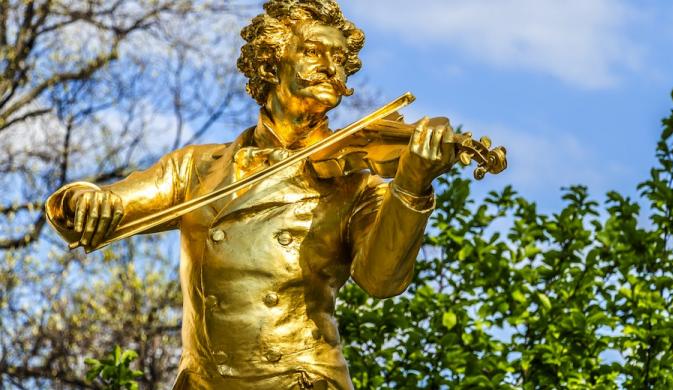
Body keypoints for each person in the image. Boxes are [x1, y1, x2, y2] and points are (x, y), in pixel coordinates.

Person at [45, 0, 456, 388]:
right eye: (315, 52)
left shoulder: (354, 183)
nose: (332, 68)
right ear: (271, 62)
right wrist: (82, 201)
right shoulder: (197, 168)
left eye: (341, 60)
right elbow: (114, 203)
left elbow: (381, 279)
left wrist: (412, 184)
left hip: (300, 381)